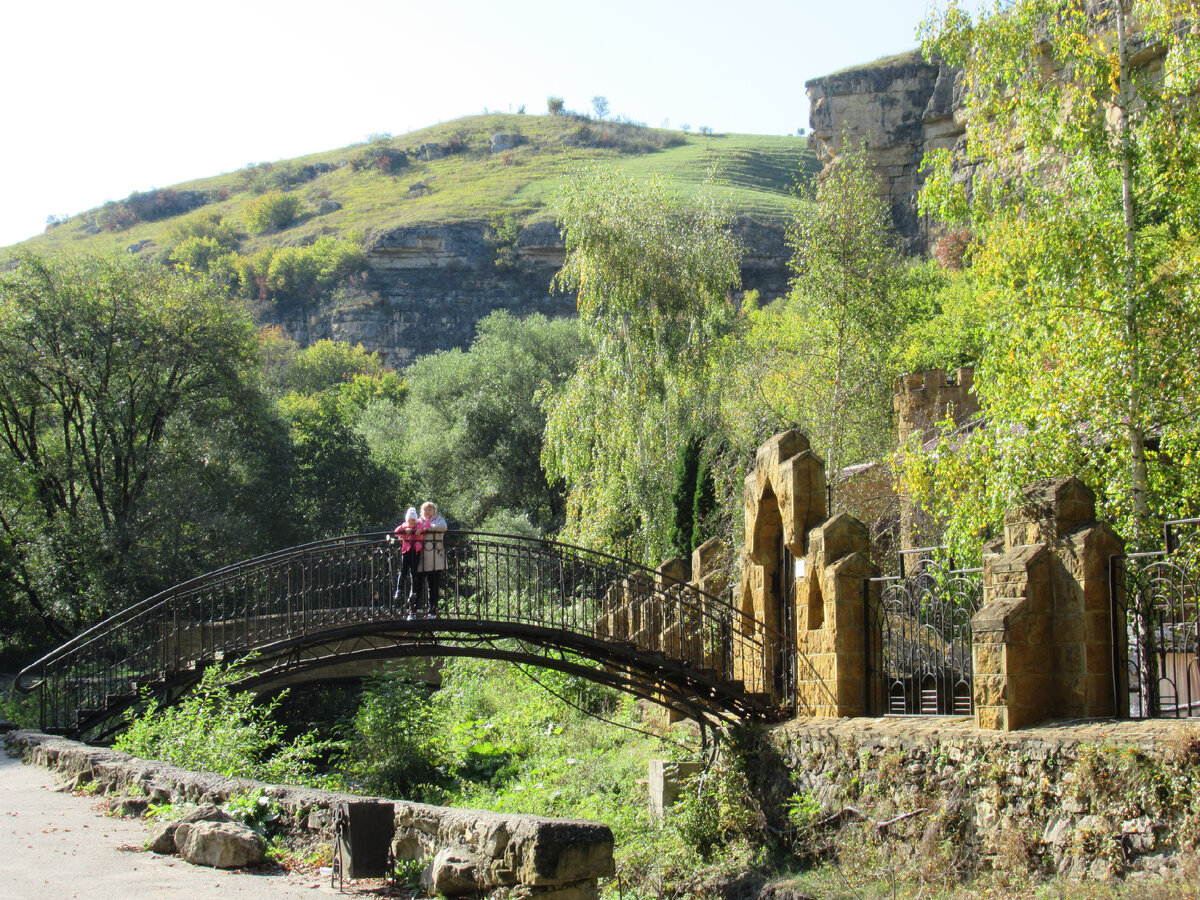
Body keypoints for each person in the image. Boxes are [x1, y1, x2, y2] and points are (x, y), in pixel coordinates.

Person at [390, 508, 427, 618]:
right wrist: (404, 529)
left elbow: (426, 526)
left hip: (415, 552)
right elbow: (396, 532)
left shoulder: (419, 525)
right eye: (410, 520)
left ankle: (413, 593)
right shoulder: (405, 525)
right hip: (406, 552)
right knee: (403, 571)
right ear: (407, 520)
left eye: (414, 520)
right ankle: (399, 589)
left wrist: (421, 530)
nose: (412, 523)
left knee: (414, 573)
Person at [416, 501, 448, 617]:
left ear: (434, 511)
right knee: (417, 586)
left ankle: (432, 611)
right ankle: (413, 610)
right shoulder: (418, 521)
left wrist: (427, 528)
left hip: (435, 557)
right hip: (421, 558)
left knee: (433, 586)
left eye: (429, 509)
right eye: (425, 509)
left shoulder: (439, 519)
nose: (427, 511)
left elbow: (443, 527)